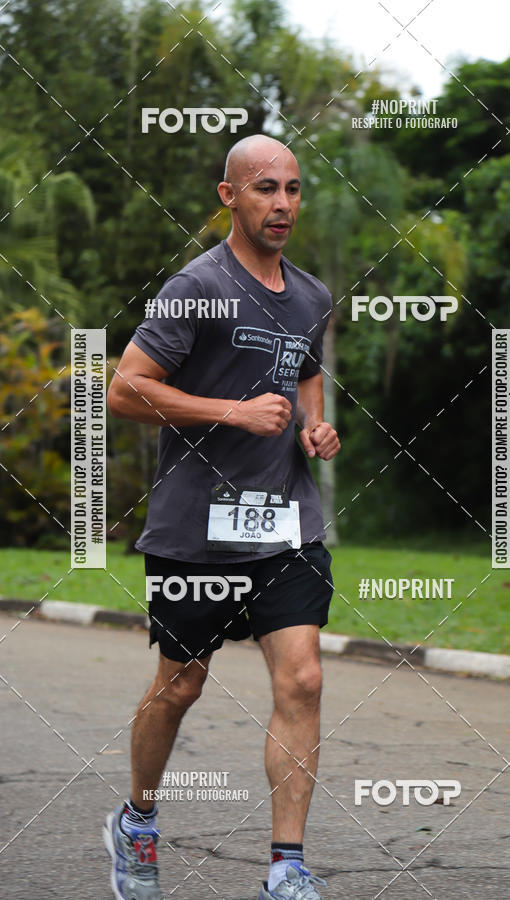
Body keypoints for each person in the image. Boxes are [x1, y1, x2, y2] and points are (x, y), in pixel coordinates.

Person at [103, 133, 340, 900]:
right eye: (266, 189)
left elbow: (304, 375)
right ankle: (137, 819)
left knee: (302, 680)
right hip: (195, 527)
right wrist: (229, 412)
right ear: (228, 196)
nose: (283, 204)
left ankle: (286, 866)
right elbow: (124, 389)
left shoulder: (309, 295)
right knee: (180, 687)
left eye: (294, 189)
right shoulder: (193, 289)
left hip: (285, 524)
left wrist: (315, 425)